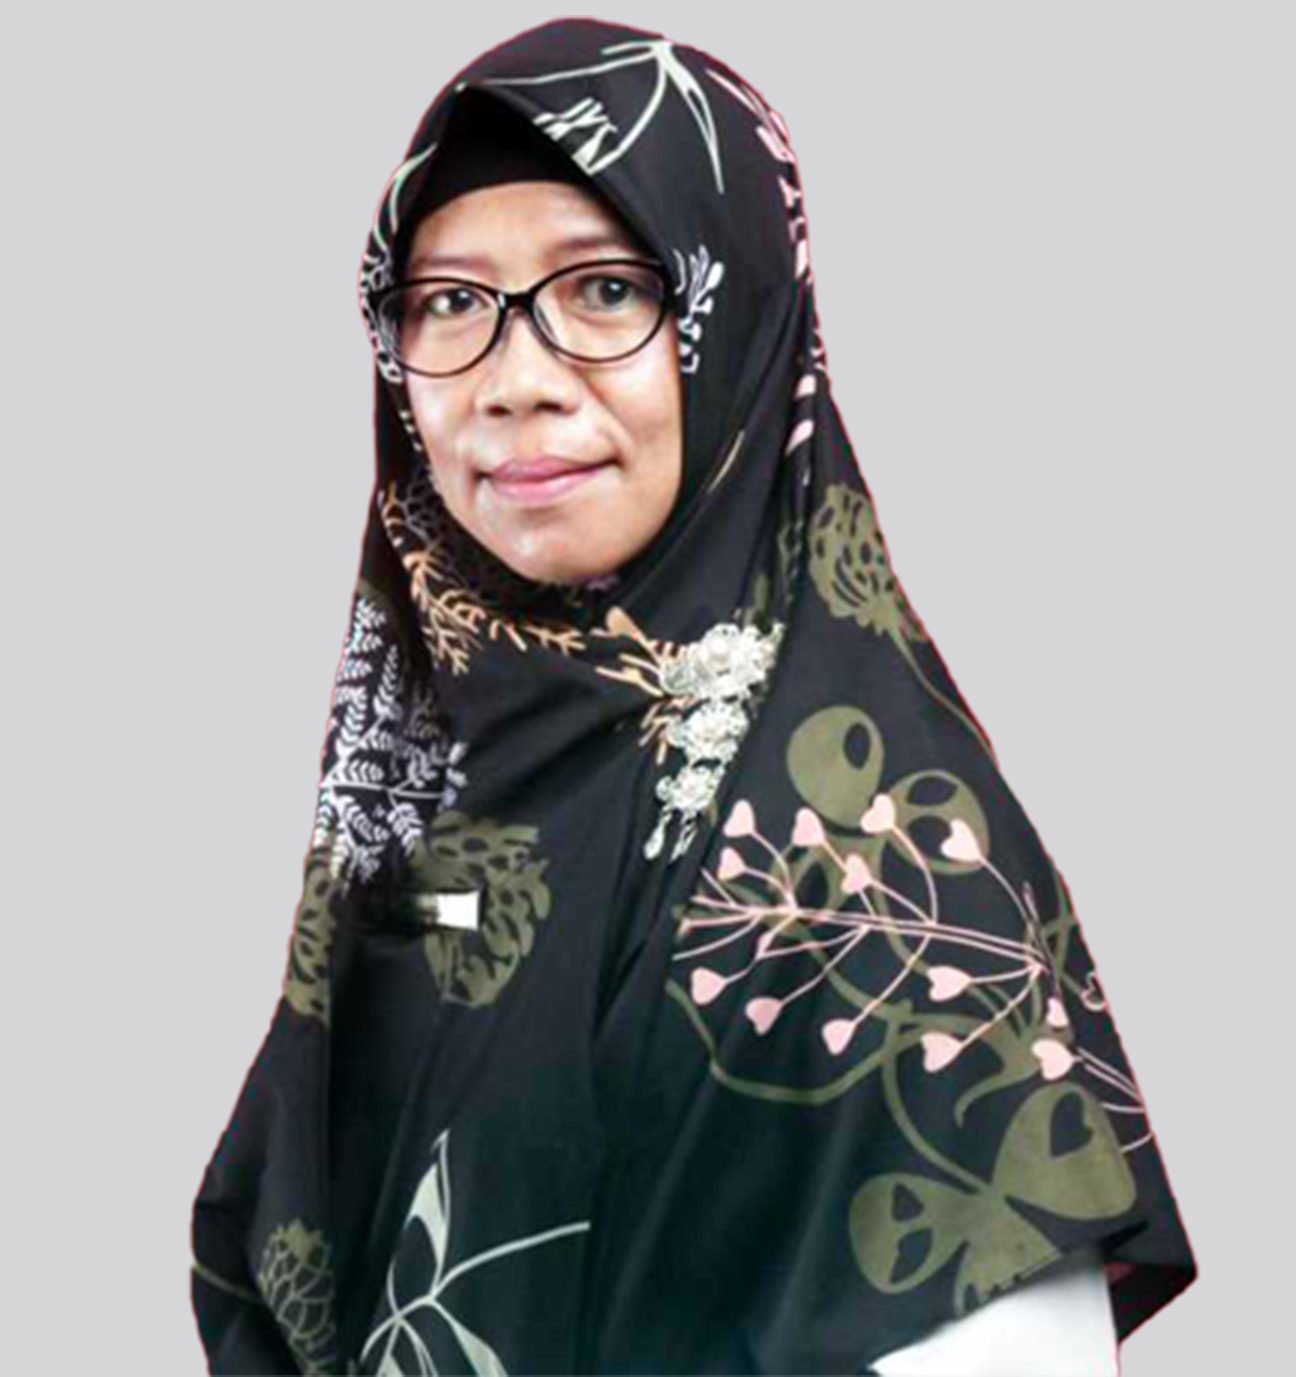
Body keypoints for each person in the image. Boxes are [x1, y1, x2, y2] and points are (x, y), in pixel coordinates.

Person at [189, 17, 1197, 1375]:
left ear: (743, 319)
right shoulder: (426, 804)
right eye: (449, 303)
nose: (515, 382)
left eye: (606, 289)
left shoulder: (875, 874)